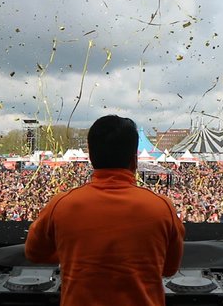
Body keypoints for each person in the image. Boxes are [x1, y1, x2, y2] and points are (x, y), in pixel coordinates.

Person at [24, 115, 185, 306]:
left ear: (91, 157)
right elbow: (169, 269)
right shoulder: (162, 208)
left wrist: (77, 256)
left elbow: (34, 253)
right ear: (134, 160)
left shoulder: (61, 205)